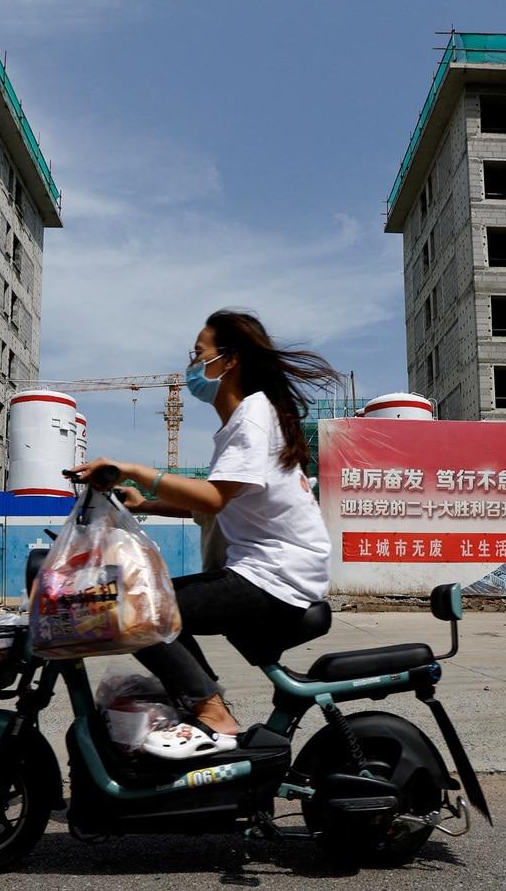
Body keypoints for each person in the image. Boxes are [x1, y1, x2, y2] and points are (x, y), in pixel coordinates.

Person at [69, 309, 337, 759]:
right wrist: (145, 502)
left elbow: (213, 498)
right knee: (152, 603)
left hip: (275, 576)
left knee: (138, 607)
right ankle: (203, 705)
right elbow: (220, 501)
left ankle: (212, 714)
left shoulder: (252, 418)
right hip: (271, 572)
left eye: (198, 354)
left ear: (228, 360)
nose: (191, 365)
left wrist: (134, 470)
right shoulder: (246, 420)